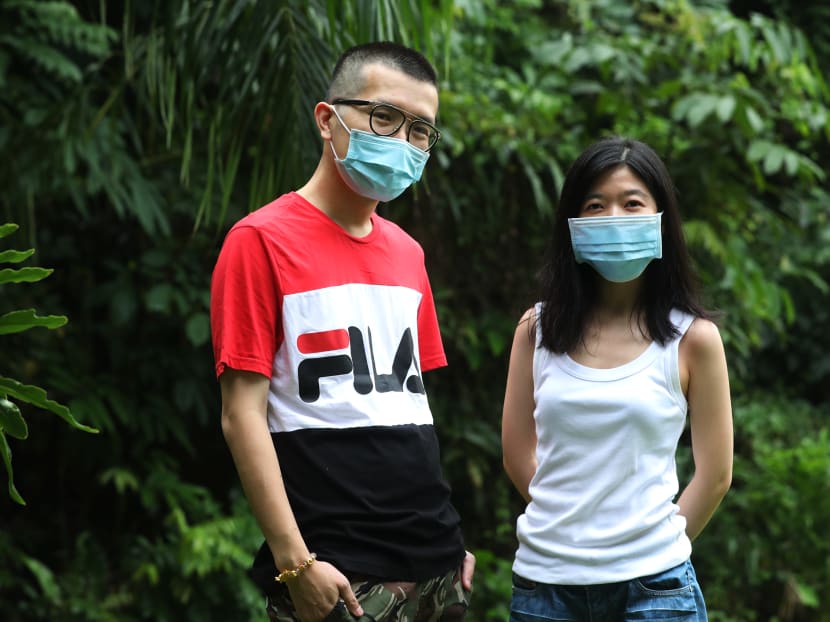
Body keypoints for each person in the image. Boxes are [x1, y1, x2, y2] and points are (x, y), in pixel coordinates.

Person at [210, 42, 474, 622]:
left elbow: (409, 414)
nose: (403, 141)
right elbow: (241, 415)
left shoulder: (408, 254)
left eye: (421, 131)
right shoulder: (259, 241)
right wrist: (295, 562)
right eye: (384, 117)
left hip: (438, 568)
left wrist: (451, 544)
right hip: (338, 575)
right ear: (328, 120)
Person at [501, 136, 733, 621]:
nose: (613, 218)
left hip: (657, 590)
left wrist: (651, 547)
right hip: (546, 587)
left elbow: (715, 475)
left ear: (660, 218)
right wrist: (573, 531)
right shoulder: (536, 330)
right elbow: (518, 454)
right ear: (573, 223)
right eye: (595, 205)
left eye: (631, 204)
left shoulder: (695, 340)